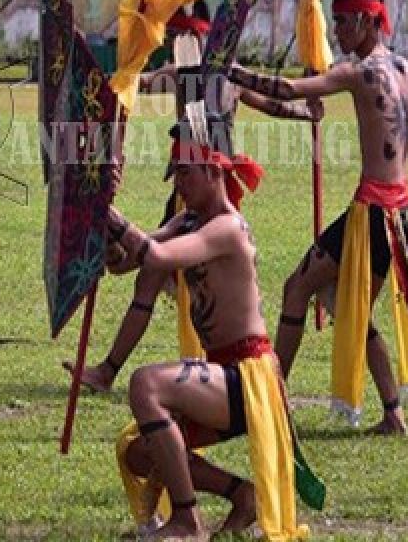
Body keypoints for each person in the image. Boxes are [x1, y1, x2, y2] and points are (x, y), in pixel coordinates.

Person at [68, 0, 322, 395]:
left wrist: (305, 114)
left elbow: (271, 102)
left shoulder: (230, 81)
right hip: (188, 188)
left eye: (183, 35)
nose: (177, 42)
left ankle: (215, 371)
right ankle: (111, 370)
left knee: (197, 275)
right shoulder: (178, 73)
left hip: (214, 191)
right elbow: (133, 84)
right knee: (148, 276)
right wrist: (101, 69)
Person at [229, 0, 408, 435]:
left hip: (371, 216)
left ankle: (270, 399)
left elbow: (288, 90)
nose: (337, 33)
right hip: (401, 220)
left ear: (366, 21)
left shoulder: (360, 73)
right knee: (348, 308)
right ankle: (393, 414)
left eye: (342, 23)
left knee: (296, 289)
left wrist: (233, 71)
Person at [107, 112, 308, 540]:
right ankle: (241, 495)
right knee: (141, 453)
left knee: (146, 385)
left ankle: (186, 520)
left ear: (213, 169)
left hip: (248, 378)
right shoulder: (189, 222)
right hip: (222, 373)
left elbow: (156, 257)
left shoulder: (228, 228)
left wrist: (107, 213)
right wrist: (103, 235)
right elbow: (129, 262)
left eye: (184, 173)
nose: (178, 184)